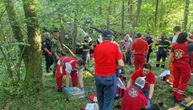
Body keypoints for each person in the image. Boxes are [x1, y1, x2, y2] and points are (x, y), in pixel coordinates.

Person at [93, 30, 124, 110]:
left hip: (98, 77)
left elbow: (94, 62)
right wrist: (114, 67)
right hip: (110, 77)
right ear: (111, 38)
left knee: (100, 99)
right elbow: (121, 64)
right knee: (108, 101)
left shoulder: (97, 47)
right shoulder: (115, 47)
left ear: (102, 38)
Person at [169, 32, 191, 102]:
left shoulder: (174, 45)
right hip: (185, 65)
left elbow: (171, 56)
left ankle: (174, 94)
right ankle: (179, 97)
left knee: (176, 80)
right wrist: (189, 39)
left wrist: (168, 64)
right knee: (184, 82)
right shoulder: (188, 46)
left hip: (176, 65)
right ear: (185, 38)